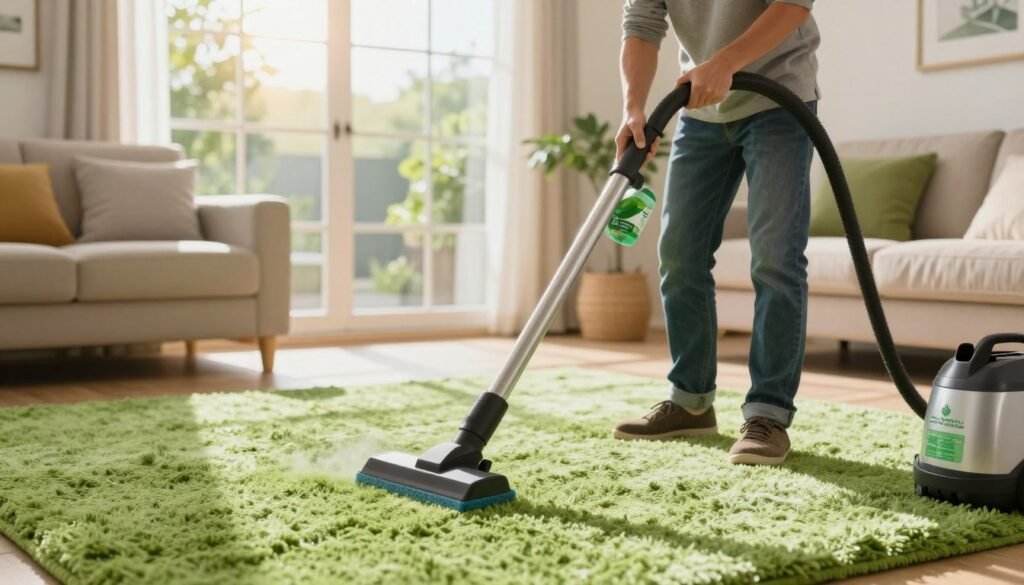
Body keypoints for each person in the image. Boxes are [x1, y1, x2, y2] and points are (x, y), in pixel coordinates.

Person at [612, 0, 820, 466]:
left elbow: (794, 4)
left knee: (775, 257)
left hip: (779, 99)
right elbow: (642, 23)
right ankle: (690, 400)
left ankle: (768, 413)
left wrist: (724, 62)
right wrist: (634, 110)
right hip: (700, 110)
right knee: (679, 254)